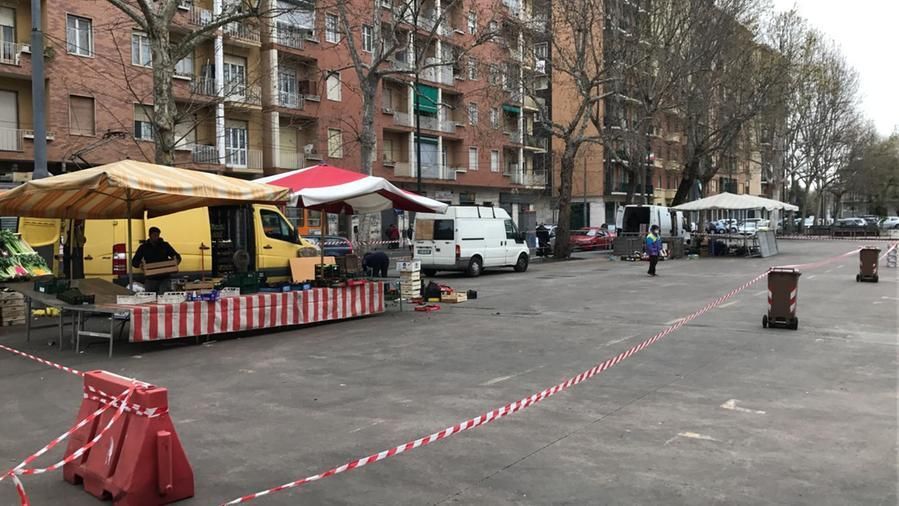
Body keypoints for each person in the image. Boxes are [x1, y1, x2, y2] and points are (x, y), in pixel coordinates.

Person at [132, 227, 181, 293]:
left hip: (164, 277)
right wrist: (140, 265)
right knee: (150, 296)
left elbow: (177, 256)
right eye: (154, 235)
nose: (156, 237)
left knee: (164, 295)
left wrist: (176, 261)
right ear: (150, 235)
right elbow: (134, 261)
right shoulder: (144, 247)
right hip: (150, 278)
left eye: (157, 235)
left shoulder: (165, 245)